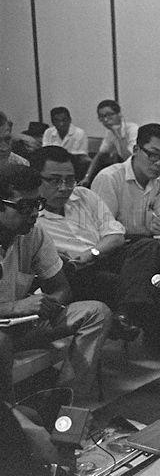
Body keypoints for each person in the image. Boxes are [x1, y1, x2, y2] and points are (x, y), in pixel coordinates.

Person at [31, 146, 160, 392]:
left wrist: (92, 253)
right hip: (73, 275)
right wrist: (84, 258)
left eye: (69, 179)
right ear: (36, 178)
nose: (64, 187)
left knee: (147, 247)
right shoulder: (31, 217)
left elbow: (115, 234)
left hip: (105, 257)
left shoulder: (84, 196)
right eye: (54, 180)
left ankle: (128, 310)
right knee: (152, 293)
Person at [0, 165, 111, 405]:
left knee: (96, 313)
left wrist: (47, 305)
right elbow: (16, 308)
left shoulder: (33, 234)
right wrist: (17, 307)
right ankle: (9, 423)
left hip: (24, 324)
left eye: (37, 203)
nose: (34, 213)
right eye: (24, 206)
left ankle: (67, 407)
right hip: (4, 331)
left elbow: (61, 288)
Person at [91, 123, 160, 292]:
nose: (159, 163)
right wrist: (147, 230)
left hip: (148, 243)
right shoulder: (109, 178)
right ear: (136, 149)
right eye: (153, 155)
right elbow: (104, 233)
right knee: (152, 250)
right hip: (115, 249)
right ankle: (134, 309)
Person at [81, 100, 138, 187]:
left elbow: (131, 159)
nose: (106, 120)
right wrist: (87, 177)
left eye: (110, 115)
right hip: (125, 167)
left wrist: (118, 136)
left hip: (137, 168)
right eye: (102, 117)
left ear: (119, 114)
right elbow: (99, 156)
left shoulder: (132, 129)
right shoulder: (110, 132)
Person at [41, 107, 91, 179]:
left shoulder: (79, 133)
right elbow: (46, 152)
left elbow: (79, 157)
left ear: (70, 120)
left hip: (75, 167)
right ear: (52, 122)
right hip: (53, 166)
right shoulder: (48, 132)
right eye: (57, 121)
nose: (61, 124)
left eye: (64, 120)